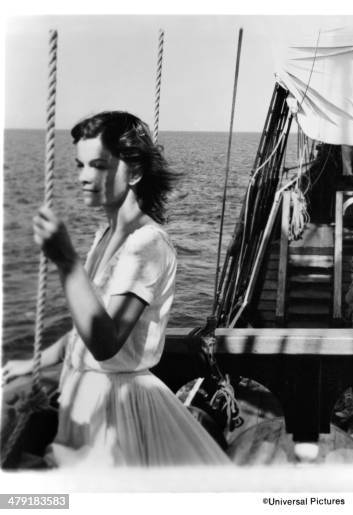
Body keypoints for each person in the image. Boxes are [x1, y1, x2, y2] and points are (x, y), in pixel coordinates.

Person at [2, 111, 230, 467]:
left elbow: (106, 343)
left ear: (136, 172)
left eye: (99, 165)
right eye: (80, 166)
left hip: (115, 416)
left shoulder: (147, 244)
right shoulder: (104, 236)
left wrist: (67, 262)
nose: (84, 177)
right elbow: (85, 330)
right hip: (86, 401)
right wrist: (35, 362)